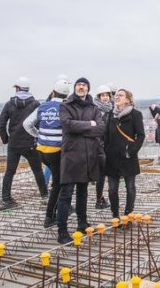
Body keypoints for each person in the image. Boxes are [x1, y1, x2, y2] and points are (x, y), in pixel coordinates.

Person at [56, 77, 104, 244]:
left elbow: (100, 128)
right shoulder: (66, 105)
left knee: (83, 193)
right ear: (74, 88)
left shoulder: (94, 108)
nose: (81, 87)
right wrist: (89, 124)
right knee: (66, 194)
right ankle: (61, 231)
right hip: (71, 156)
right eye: (78, 85)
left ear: (88, 89)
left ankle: (82, 223)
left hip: (88, 156)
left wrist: (82, 128)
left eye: (84, 85)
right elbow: (67, 125)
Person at [23, 79, 71, 228]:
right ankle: (50, 216)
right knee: (58, 185)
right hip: (57, 152)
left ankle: (62, 209)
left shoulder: (43, 106)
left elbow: (26, 124)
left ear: (53, 91)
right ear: (66, 95)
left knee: (57, 182)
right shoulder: (66, 108)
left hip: (42, 151)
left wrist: (38, 135)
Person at [0, 77, 48, 210]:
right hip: (30, 143)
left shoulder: (10, 104)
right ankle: (45, 197)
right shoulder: (35, 104)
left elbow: (1, 123)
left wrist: (6, 139)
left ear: (17, 88)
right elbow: (41, 123)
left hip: (14, 143)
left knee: (10, 171)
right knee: (37, 170)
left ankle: (6, 199)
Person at [103, 89, 145, 218]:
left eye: (120, 95)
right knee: (112, 189)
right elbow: (105, 135)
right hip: (112, 157)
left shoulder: (135, 114)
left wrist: (131, 151)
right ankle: (115, 215)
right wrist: (104, 152)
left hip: (128, 156)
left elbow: (141, 135)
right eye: (116, 95)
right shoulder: (110, 114)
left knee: (130, 187)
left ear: (127, 99)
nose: (117, 97)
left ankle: (128, 214)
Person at [93, 85, 113, 209]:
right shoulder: (96, 110)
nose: (105, 98)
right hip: (98, 145)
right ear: (99, 97)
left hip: (108, 144)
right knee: (101, 174)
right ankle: (99, 199)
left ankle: (102, 198)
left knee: (106, 173)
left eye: (107, 95)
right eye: (102, 95)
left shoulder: (111, 109)